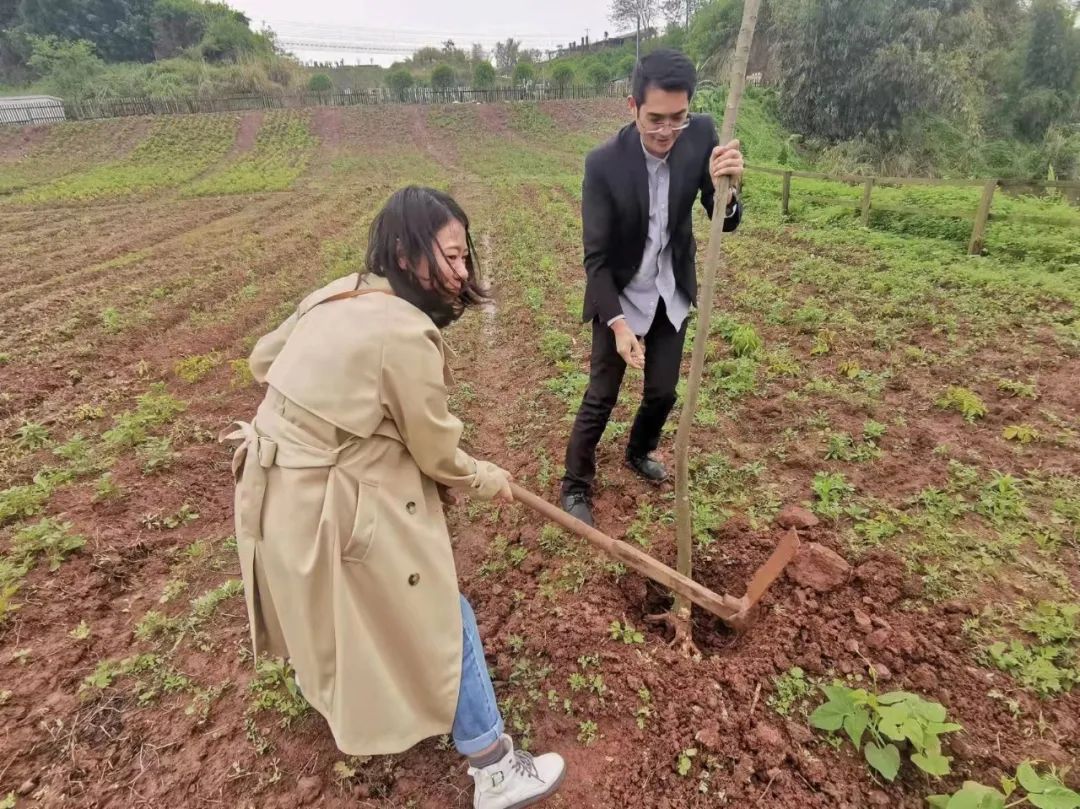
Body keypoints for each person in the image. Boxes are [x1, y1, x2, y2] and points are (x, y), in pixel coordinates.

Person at [224, 187, 565, 809]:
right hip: (324, 501)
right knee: (441, 610)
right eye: (451, 256)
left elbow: (262, 359)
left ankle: (332, 692)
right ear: (406, 254)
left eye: (465, 257)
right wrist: (487, 477)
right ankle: (494, 768)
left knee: (320, 604)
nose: (462, 271)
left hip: (273, 489)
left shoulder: (338, 292)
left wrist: (333, 412)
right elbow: (436, 452)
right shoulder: (403, 333)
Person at [560, 49, 746, 527]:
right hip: (621, 294)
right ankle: (575, 484)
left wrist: (728, 191)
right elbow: (596, 260)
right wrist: (618, 326)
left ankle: (639, 450)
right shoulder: (604, 163)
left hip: (670, 290)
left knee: (663, 391)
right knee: (601, 396)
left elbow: (723, 219)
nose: (666, 131)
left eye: (677, 118)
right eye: (655, 119)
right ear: (633, 107)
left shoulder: (700, 136)